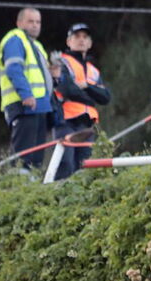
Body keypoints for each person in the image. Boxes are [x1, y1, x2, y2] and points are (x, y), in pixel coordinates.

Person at [0, 7, 53, 169]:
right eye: (31, 21)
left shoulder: (36, 46)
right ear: (19, 23)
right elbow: (14, 69)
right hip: (24, 104)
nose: (35, 25)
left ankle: (31, 188)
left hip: (39, 106)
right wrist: (25, 95)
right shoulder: (15, 40)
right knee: (23, 157)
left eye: (38, 22)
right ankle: (20, 188)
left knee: (36, 157)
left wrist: (54, 74)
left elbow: (42, 75)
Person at [53, 23, 111, 180]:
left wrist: (86, 86)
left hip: (86, 123)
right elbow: (67, 89)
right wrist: (91, 98)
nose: (81, 40)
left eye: (85, 37)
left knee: (85, 168)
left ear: (90, 43)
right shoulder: (62, 62)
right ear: (68, 41)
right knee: (65, 165)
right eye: (77, 37)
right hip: (66, 120)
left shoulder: (93, 70)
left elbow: (106, 97)